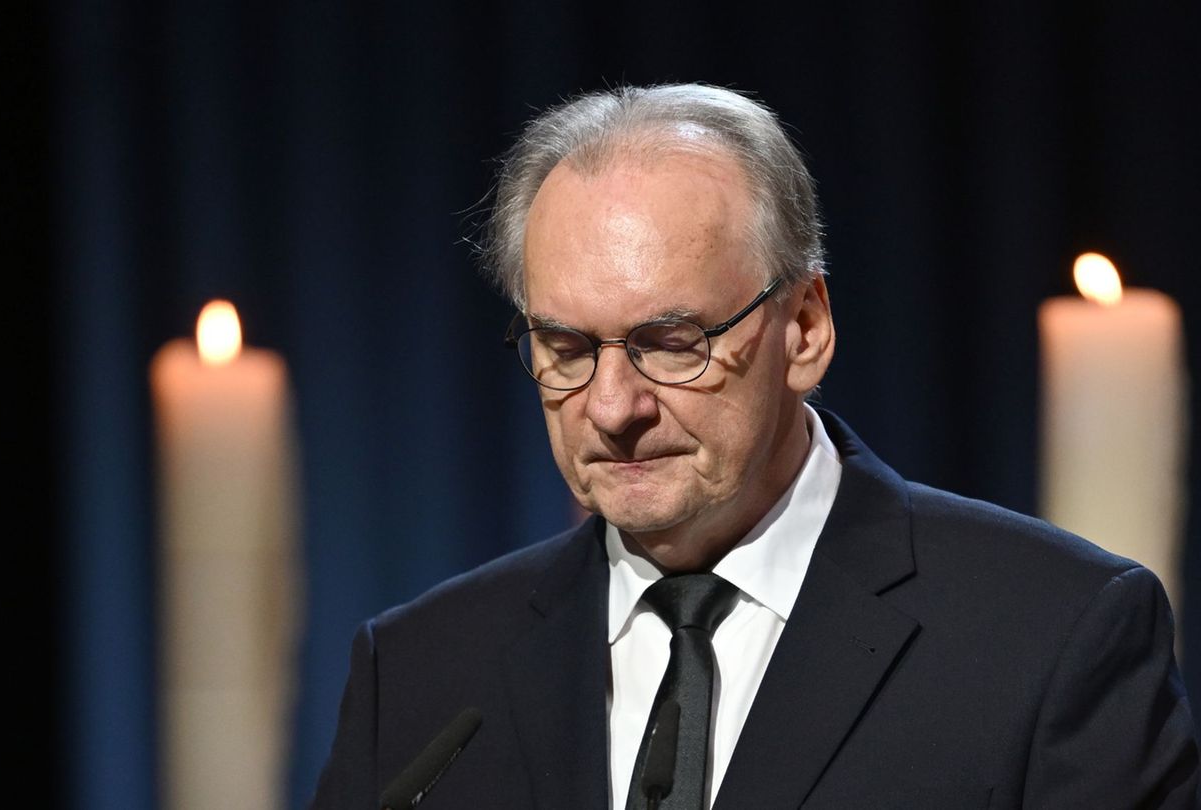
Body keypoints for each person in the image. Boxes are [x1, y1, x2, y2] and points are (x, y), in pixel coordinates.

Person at [309, 83, 1198, 809]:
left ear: (804, 329)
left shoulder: (1052, 635)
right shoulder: (420, 673)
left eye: (670, 343)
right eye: (567, 350)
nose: (614, 408)